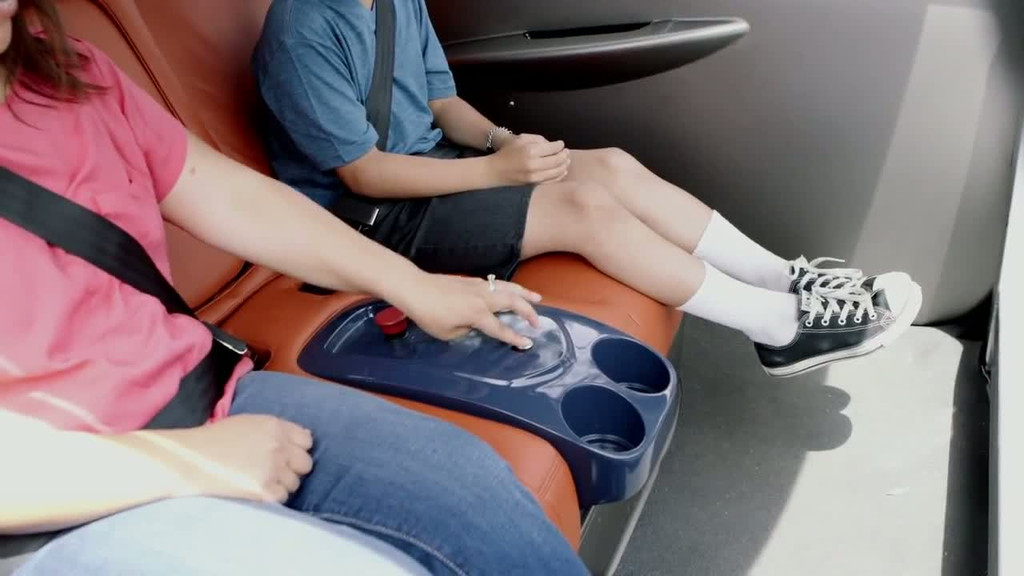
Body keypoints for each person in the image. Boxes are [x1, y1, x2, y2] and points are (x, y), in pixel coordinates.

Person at [0, 1, 589, 574]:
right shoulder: (302, 25)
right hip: (53, 495)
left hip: (204, 395)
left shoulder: (69, 72)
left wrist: (415, 286)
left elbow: (230, 196)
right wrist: (182, 463)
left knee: (470, 482)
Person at [253, 0, 924, 377]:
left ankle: (782, 279)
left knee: (610, 167)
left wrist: (501, 143)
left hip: (434, 169)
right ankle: (779, 326)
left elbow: (440, 101)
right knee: (586, 208)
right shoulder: (302, 30)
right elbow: (365, 172)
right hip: (367, 220)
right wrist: (491, 173)